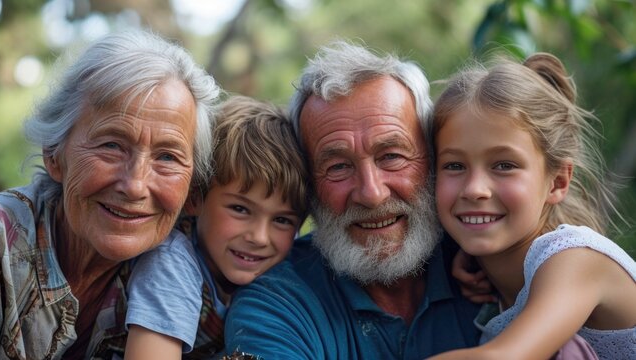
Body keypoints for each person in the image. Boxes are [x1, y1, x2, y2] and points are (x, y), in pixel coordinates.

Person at [223, 41, 482, 359]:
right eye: (338, 167)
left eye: (391, 156)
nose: (372, 194)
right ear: (309, 185)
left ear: (432, 157)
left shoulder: (485, 257)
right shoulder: (276, 306)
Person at [0, 30, 221, 359]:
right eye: (111, 146)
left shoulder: (199, 276)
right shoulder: (1, 242)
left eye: (167, 157)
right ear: (54, 155)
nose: (135, 185)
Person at [428, 53, 635, 360]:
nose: (474, 189)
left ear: (557, 182)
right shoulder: (491, 277)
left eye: (503, 165)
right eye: (454, 165)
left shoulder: (576, 260)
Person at [123, 95, 309, 359]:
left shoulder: (281, 270)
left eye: (282, 220)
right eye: (240, 209)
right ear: (195, 199)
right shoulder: (172, 264)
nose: (259, 237)